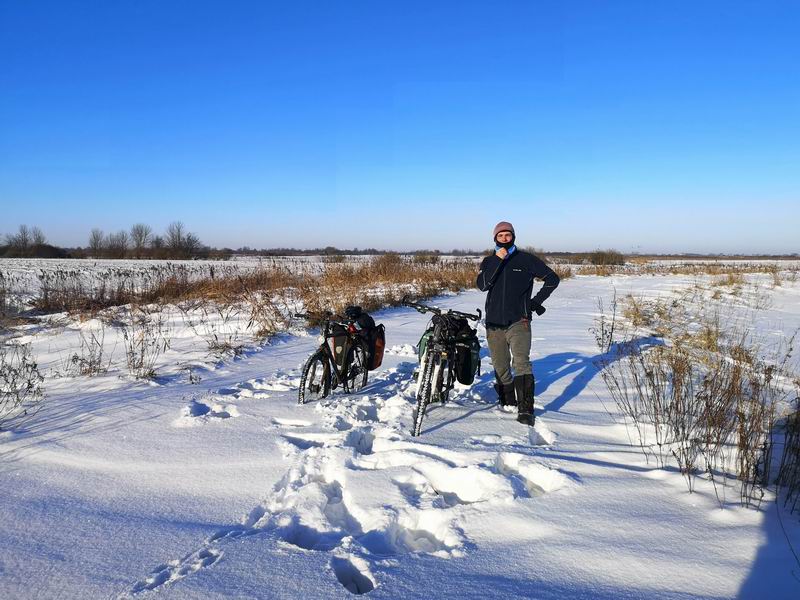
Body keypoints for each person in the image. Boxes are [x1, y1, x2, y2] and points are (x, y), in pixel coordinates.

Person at [476, 221, 560, 426]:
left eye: (508, 235)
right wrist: (497, 260)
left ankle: (526, 409)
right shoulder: (488, 261)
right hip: (494, 322)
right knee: (500, 365)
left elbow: (552, 279)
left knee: (521, 362)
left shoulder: (526, 260)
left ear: (514, 236)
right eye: (500, 236)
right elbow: (482, 285)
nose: (504, 239)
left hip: (519, 321)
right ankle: (507, 400)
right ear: (495, 238)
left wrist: (534, 303)